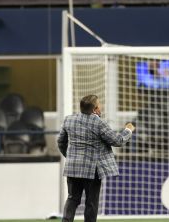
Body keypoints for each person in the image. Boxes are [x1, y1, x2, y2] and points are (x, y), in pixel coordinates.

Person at [57, 94, 135, 222]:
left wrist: (70, 157)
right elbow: (118, 141)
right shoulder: (98, 123)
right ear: (95, 109)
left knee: (72, 198)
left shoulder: (68, 120)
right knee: (91, 202)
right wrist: (128, 130)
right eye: (99, 105)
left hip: (73, 168)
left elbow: (60, 142)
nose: (101, 107)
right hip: (91, 170)